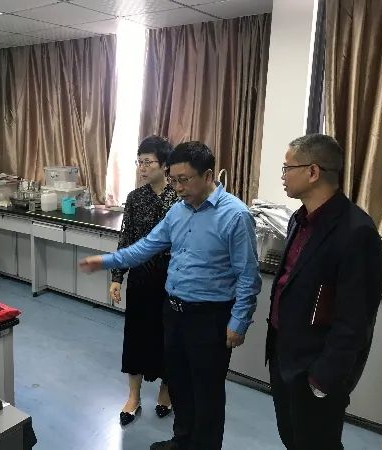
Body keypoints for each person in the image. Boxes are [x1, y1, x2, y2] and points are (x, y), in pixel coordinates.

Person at [80, 141, 261, 450]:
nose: (177, 188)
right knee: (179, 383)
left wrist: (239, 321)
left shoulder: (235, 215)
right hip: (174, 311)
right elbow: (146, 246)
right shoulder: (178, 211)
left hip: (210, 317)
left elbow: (248, 276)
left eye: (184, 180)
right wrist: (108, 262)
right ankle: (182, 441)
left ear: (208, 176)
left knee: (207, 392)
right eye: (173, 180)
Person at [266, 134, 382, 450]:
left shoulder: (356, 232)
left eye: (287, 167)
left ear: (313, 172)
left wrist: (322, 379)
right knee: (292, 438)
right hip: (284, 356)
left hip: (315, 369)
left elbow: (355, 321)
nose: (282, 175)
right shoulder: (299, 220)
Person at [111, 136, 179, 426]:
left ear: (164, 165)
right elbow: (126, 238)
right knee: (136, 336)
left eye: (147, 162)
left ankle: (166, 391)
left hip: (173, 280)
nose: (142, 167)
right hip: (140, 278)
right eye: (139, 162)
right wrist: (117, 277)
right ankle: (133, 396)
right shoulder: (135, 198)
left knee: (169, 338)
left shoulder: (180, 198)